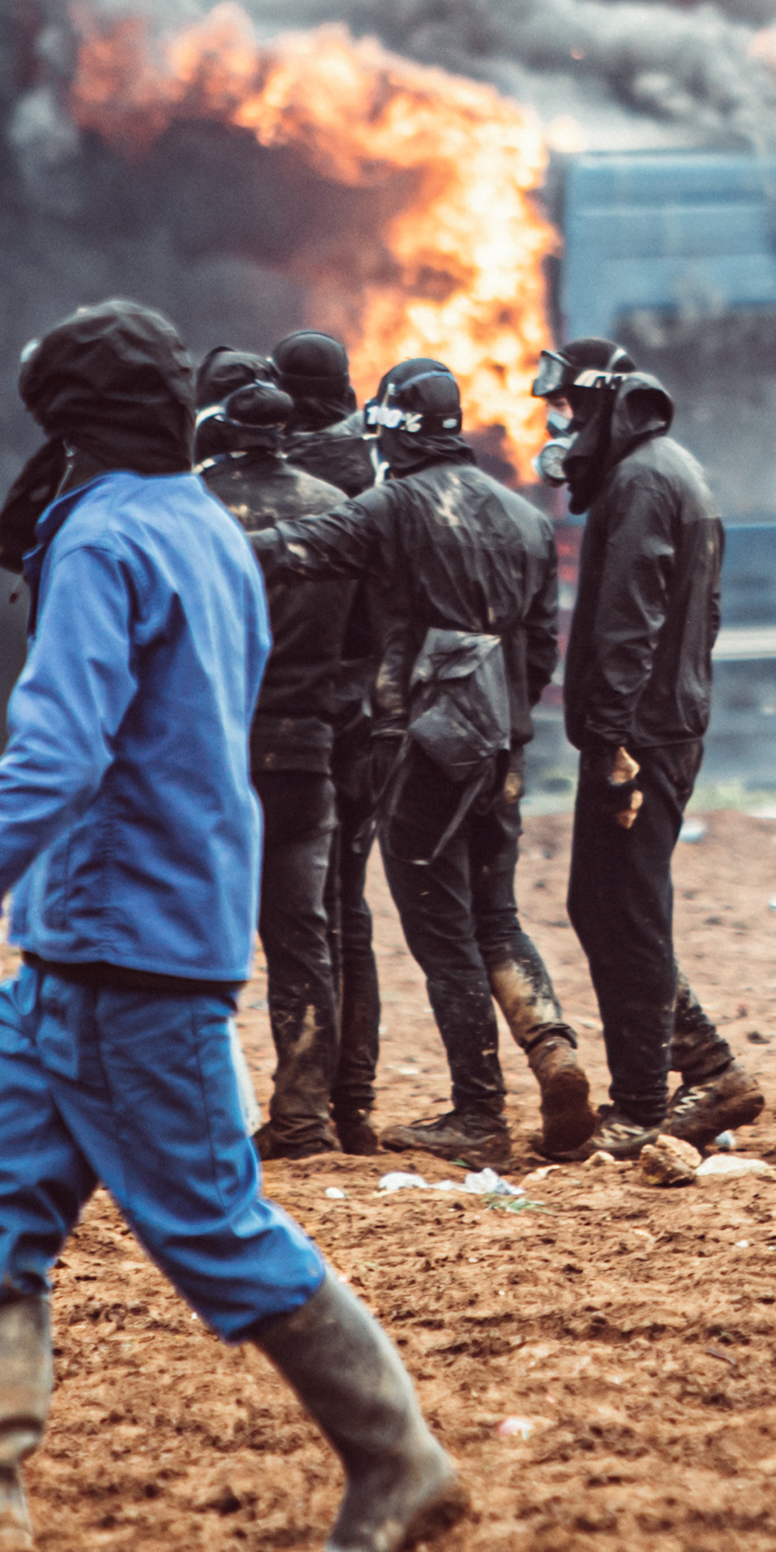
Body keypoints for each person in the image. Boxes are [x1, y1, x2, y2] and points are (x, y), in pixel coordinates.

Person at [0, 300, 462, 1552]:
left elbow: (60, 751)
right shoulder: (199, 525)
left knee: (217, 1228)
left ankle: (400, 1458)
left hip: (123, 945)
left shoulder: (99, 539)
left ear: (71, 425)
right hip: (94, 945)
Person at [249, 359, 597, 1165]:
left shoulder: (396, 504)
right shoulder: (524, 518)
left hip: (431, 742)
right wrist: (505, 727)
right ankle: (554, 1052)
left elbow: (299, 548)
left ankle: (478, 1112)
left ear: (396, 433)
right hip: (506, 741)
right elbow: (543, 647)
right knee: (495, 912)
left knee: (437, 919)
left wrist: (190, 534)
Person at [546, 338, 760, 1155]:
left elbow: (627, 624)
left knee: (623, 911)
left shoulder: (641, 482)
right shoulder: (668, 470)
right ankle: (708, 1067)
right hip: (661, 723)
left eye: (566, 409)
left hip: (641, 734)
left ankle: (643, 1105)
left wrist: (610, 741)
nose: (561, 429)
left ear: (601, 403)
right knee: (604, 906)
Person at [194, 378, 366, 1158]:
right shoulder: (337, 505)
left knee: (195, 939)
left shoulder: (191, 509)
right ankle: (304, 1119)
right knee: (305, 939)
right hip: (306, 749)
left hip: (211, 757)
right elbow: (367, 637)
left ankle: (200, 1114)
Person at [271, 328, 390, 1151]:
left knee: (301, 917)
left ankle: (308, 1106)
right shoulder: (376, 473)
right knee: (350, 910)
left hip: (304, 720)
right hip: (374, 715)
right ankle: (354, 1105)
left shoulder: (283, 481)